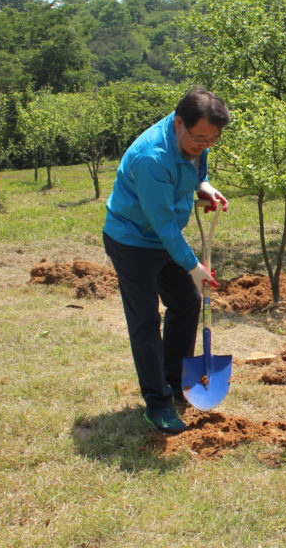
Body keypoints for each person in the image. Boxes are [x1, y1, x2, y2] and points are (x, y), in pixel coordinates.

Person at [102, 88, 231, 434]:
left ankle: (174, 382)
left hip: (163, 237)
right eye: (198, 138)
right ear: (178, 124)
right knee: (145, 320)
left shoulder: (194, 141)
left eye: (211, 140)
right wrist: (194, 268)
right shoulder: (152, 158)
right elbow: (163, 225)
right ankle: (157, 403)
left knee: (187, 302)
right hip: (133, 240)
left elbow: (193, 168)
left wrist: (202, 184)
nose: (203, 145)